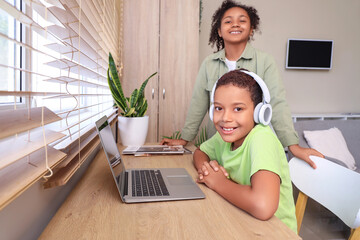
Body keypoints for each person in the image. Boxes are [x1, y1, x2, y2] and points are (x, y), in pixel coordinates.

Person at [160, 0, 323, 168]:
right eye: (228, 21)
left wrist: (292, 145)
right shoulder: (209, 64)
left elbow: (278, 103)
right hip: (218, 146)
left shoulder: (265, 61)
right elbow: (198, 103)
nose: (235, 24)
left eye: (242, 20)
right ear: (219, 31)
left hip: (251, 149)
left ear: (251, 29)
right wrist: (185, 138)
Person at [194, 69, 297, 232]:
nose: (225, 118)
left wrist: (218, 182)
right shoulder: (225, 136)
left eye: (238, 109)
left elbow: (263, 206)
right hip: (242, 219)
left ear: (259, 113)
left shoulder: (262, 139)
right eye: (219, 108)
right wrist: (207, 169)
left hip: (274, 231)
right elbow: (200, 152)